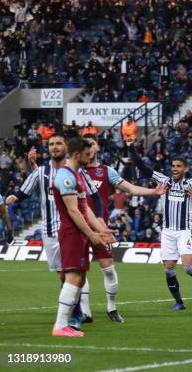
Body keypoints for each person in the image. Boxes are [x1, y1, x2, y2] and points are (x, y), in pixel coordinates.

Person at [7, 134, 105, 329]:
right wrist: (12, 198)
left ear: (66, 147)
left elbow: (95, 196)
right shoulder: (41, 172)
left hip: (74, 229)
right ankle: (74, 314)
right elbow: (22, 192)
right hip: (50, 231)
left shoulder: (77, 171)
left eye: (58, 143)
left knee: (76, 273)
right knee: (65, 275)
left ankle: (74, 316)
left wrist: (99, 219)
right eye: (51, 144)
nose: (55, 147)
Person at [82, 135, 166, 322]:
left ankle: (111, 308)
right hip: (79, 226)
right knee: (80, 271)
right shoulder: (74, 171)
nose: (88, 148)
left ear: (97, 148)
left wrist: (153, 192)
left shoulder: (106, 171)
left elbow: (130, 188)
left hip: (101, 227)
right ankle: (85, 312)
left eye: (91, 144)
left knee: (109, 268)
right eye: (85, 145)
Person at [127, 140, 192, 311]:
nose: (174, 168)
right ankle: (179, 303)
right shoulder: (164, 181)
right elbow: (143, 168)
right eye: (173, 165)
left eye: (178, 166)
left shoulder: (191, 183)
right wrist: (131, 148)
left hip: (183, 232)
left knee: (188, 267)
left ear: (185, 169)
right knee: (168, 270)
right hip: (167, 232)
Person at [50, 137, 115, 337]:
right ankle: (61, 325)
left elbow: (85, 208)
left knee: (80, 278)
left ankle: (66, 323)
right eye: (87, 154)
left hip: (79, 234)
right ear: (77, 154)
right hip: (71, 233)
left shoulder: (77, 175)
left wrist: (101, 231)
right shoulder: (66, 177)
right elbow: (73, 212)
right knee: (72, 277)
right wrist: (92, 234)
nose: (90, 157)